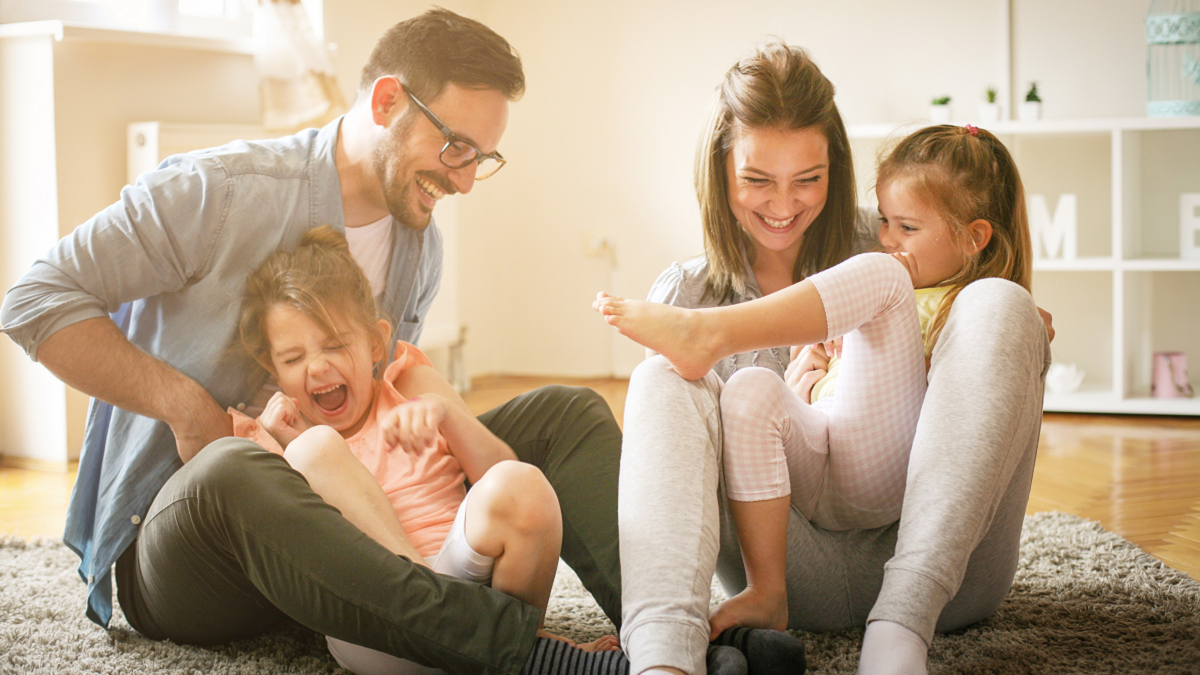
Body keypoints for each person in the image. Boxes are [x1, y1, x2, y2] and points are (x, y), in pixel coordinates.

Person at [0, 9, 625, 675]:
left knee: (565, 413)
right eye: (456, 147)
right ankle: (518, 654)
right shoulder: (220, 190)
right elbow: (34, 301)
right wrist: (185, 406)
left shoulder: (420, 247)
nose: (466, 179)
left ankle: (673, 637)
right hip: (198, 547)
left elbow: (376, 439)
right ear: (388, 101)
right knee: (237, 470)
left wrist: (434, 417)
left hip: (339, 549)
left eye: (482, 157)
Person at [609, 42, 1051, 675]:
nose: (783, 206)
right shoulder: (683, 292)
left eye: (808, 179)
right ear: (720, 171)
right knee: (659, 375)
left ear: (836, 169)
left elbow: (994, 319)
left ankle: (901, 625)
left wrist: (1013, 321)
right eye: (757, 179)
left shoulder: (894, 239)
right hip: (787, 573)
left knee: (1002, 303)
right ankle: (662, 659)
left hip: (946, 575)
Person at [233, 226, 620, 674]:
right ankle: (507, 646)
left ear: (376, 342)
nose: (317, 367)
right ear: (271, 366)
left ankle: (521, 647)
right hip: (378, 618)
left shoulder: (410, 385)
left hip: (472, 600)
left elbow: (507, 482)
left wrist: (447, 415)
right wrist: (280, 443)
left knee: (522, 483)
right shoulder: (270, 431)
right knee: (314, 447)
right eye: (293, 358)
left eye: (335, 345)